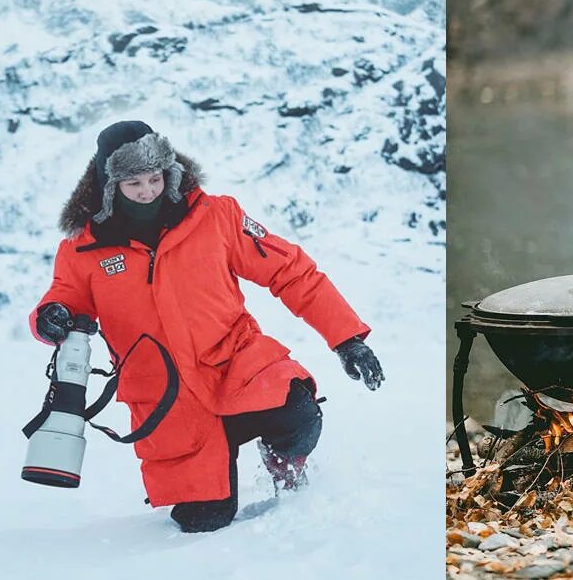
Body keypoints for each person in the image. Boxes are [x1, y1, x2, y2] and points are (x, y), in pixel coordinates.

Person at [30, 120, 385, 532]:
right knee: (206, 522)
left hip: (236, 369)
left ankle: (288, 476)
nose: (148, 191)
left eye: (154, 177)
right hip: (167, 402)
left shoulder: (216, 216)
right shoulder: (83, 249)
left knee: (299, 417)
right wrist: (50, 317)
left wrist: (348, 339)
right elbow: (61, 300)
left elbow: (290, 272)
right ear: (108, 185)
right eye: (134, 184)